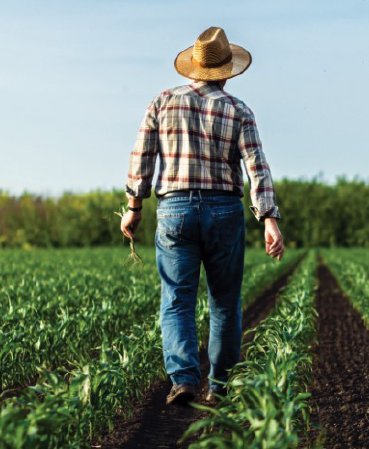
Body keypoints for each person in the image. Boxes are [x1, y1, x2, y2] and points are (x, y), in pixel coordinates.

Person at [119, 26, 285, 405]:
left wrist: (134, 207)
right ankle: (221, 387)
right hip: (225, 209)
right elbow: (257, 167)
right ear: (226, 71)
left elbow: (140, 158)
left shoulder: (162, 102)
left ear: (192, 67)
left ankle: (184, 380)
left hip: (175, 209)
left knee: (177, 299)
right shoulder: (239, 110)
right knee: (224, 302)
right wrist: (269, 218)